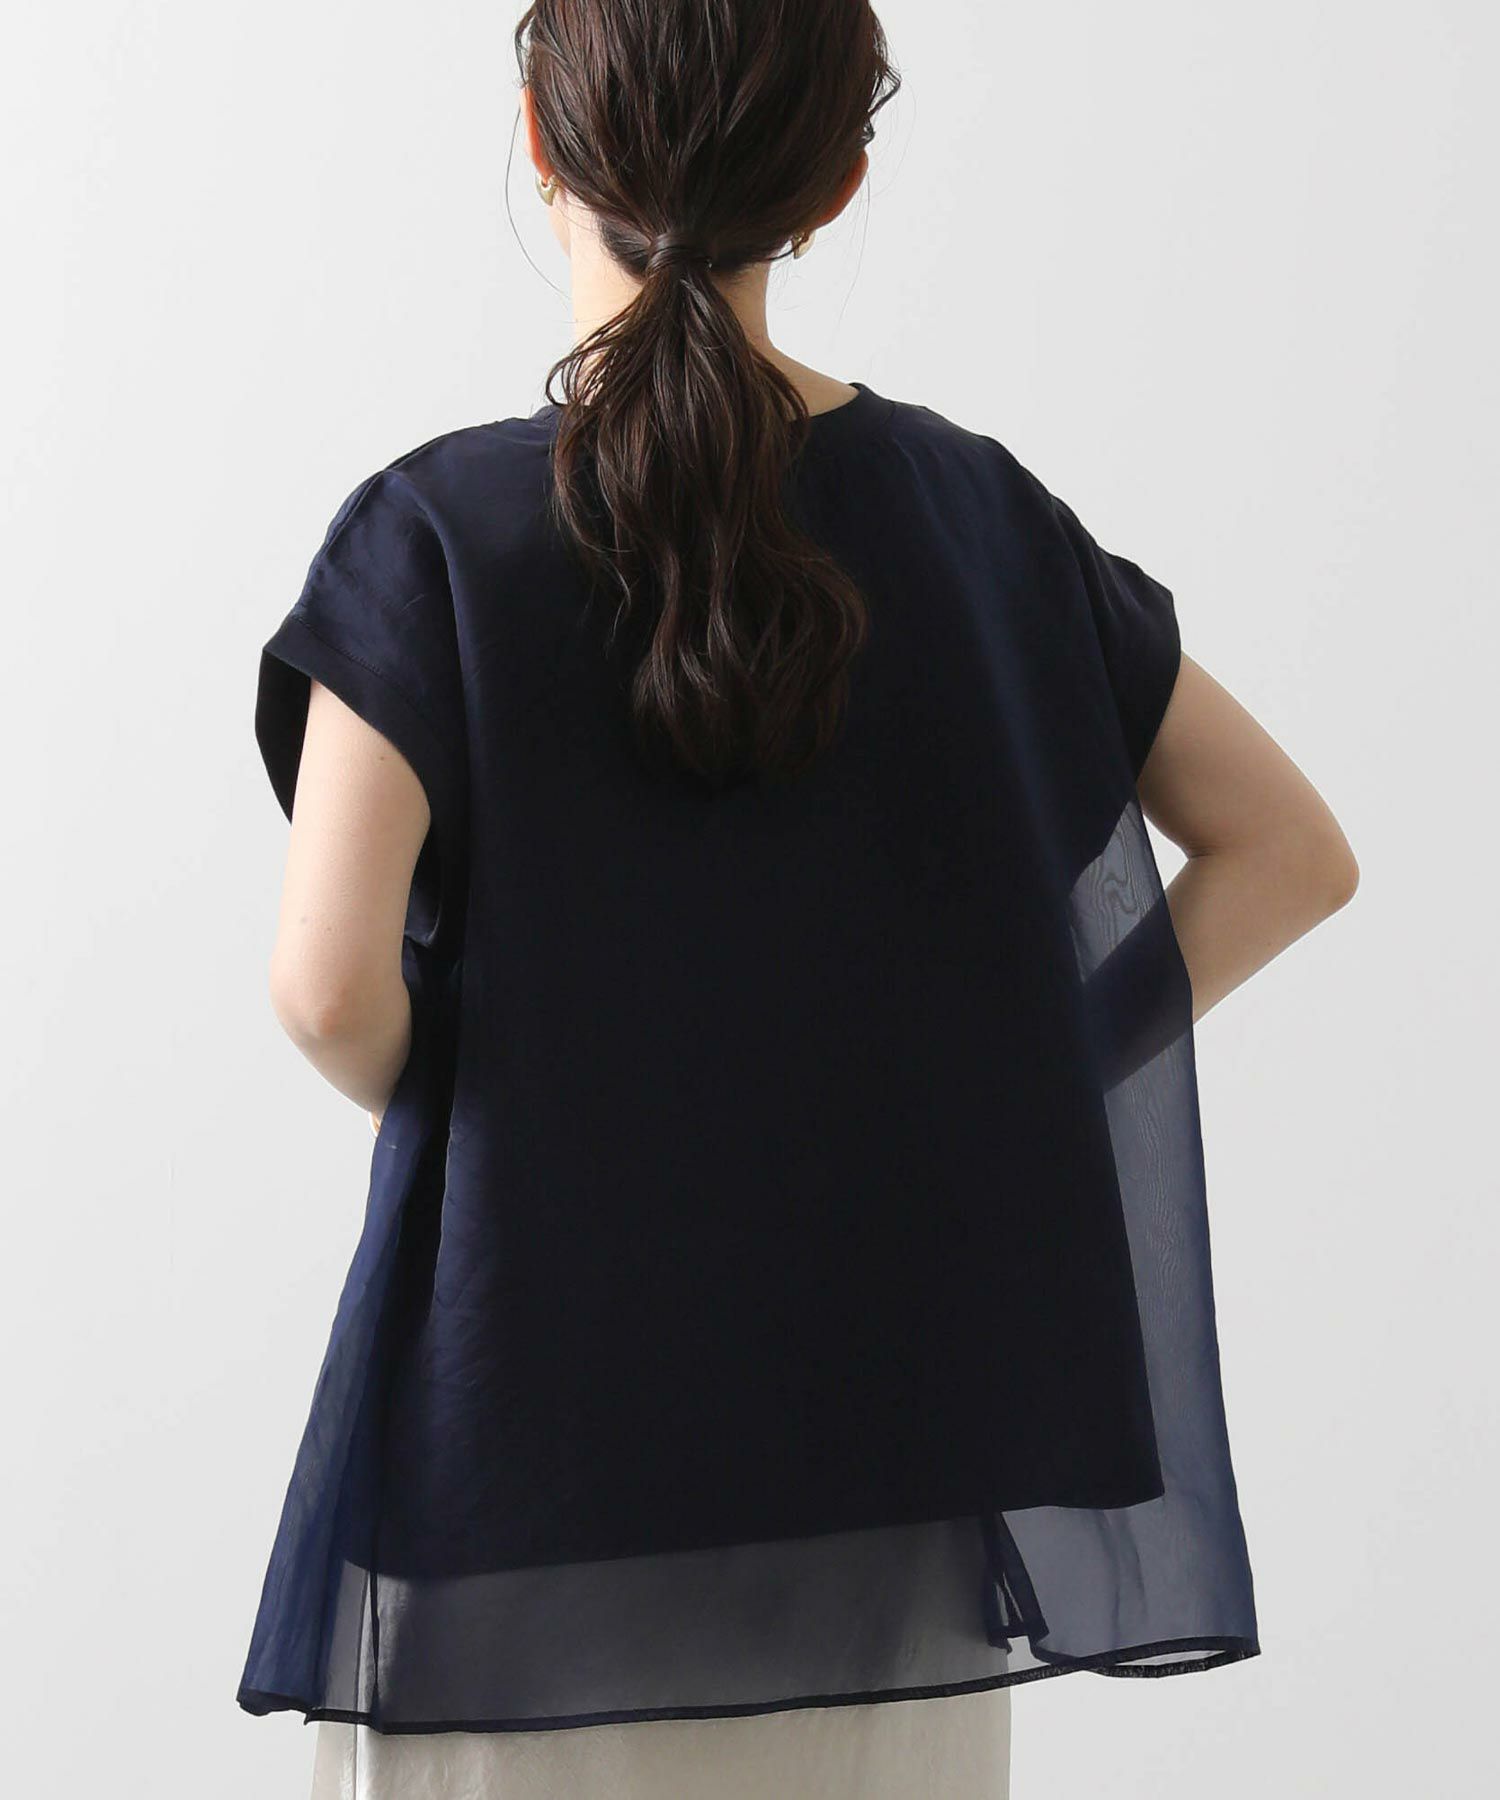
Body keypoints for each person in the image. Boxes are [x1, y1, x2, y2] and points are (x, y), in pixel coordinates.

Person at [239, 3, 1359, 1795]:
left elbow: (321, 987)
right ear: (836, 182)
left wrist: (511, 1113)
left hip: (526, 1484)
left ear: (542, 141)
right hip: (888, 1508)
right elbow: (1289, 852)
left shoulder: (435, 534)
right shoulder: (981, 521)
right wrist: (1011, 1079)